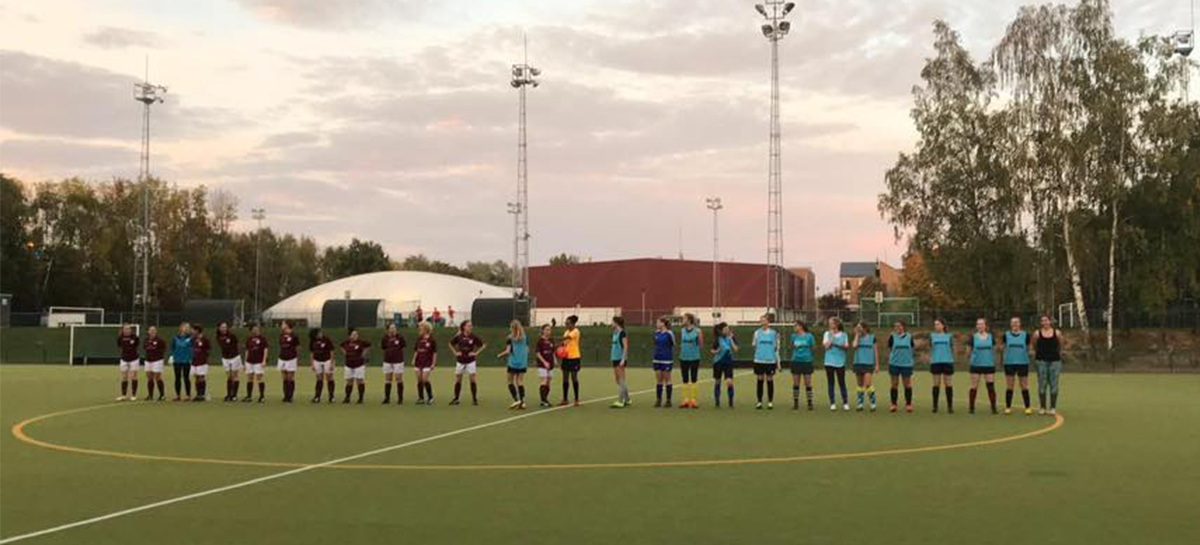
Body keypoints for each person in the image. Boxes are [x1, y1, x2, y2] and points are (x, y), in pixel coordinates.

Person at [449, 320, 485, 405]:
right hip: (460, 360)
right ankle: (456, 399)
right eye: (468, 325)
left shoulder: (473, 336)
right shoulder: (459, 336)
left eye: (471, 326)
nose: (470, 327)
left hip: (470, 361)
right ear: (464, 327)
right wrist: (455, 353)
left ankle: (474, 399)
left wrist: (476, 353)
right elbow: (450, 344)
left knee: (472, 378)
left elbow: (483, 345)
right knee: (458, 379)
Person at [1002, 317, 1033, 415]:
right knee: (1010, 386)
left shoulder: (1026, 335)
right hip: (1009, 363)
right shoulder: (1006, 335)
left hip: (1023, 363)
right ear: (1010, 324)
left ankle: (1027, 407)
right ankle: (1008, 407)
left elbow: (1030, 348)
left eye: (1017, 322)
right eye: (1013, 322)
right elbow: (1002, 348)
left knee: (1024, 386)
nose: (1015, 324)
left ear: (1020, 324)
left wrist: (1031, 352)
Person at [495, 320, 529, 409]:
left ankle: (516, 399)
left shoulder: (509, 338)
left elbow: (508, 351)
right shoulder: (524, 337)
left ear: (512, 328)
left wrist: (499, 355)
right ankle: (522, 401)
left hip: (513, 362)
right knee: (520, 381)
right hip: (522, 363)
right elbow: (526, 349)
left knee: (510, 381)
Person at [968, 318, 999, 414]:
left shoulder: (990, 337)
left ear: (985, 326)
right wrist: (972, 359)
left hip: (988, 364)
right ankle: (971, 407)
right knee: (974, 386)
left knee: (990, 386)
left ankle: (993, 407)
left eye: (982, 324)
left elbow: (995, 349)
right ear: (976, 326)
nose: (980, 326)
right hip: (976, 364)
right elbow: (968, 351)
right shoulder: (973, 337)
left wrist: (993, 360)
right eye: (978, 324)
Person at [1034, 315, 1063, 415]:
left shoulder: (1057, 333)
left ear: (1050, 321)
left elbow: (1061, 344)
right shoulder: (1037, 333)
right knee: (1042, 383)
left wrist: (1057, 354)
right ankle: (1042, 407)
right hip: (1041, 361)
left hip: (1055, 361)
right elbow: (1034, 345)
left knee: (1054, 384)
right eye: (1042, 321)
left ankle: (1052, 407)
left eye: (1046, 320)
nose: (1044, 322)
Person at [752, 315, 779, 410]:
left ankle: (770, 402)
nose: (762, 322)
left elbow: (776, 348)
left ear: (768, 322)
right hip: (759, 360)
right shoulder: (756, 333)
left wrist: (777, 362)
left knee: (769, 380)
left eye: (764, 320)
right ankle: (759, 402)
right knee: (760, 380)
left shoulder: (774, 333)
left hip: (770, 361)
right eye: (761, 321)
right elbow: (754, 346)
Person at [887, 321, 915, 413]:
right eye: (895, 326)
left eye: (899, 326)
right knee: (894, 384)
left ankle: (908, 404)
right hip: (894, 364)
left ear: (903, 327)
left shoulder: (909, 337)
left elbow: (912, 348)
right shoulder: (892, 337)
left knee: (907, 384)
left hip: (906, 364)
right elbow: (890, 348)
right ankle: (893, 404)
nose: (897, 328)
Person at [822, 317, 850, 411]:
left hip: (840, 362)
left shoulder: (844, 335)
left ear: (836, 324)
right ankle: (832, 403)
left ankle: (845, 402)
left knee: (842, 382)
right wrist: (832, 337)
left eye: (831, 323)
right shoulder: (827, 334)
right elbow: (826, 346)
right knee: (831, 382)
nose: (830, 325)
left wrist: (837, 344)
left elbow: (846, 346)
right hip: (829, 362)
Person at [928, 318, 955, 413]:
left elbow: (952, 348)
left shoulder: (949, 336)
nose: (936, 326)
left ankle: (950, 406)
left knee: (948, 384)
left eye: (938, 324)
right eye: (935, 324)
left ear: (943, 325)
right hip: (936, 362)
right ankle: (935, 406)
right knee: (936, 384)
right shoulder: (932, 336)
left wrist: (951, 359)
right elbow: (931, 348)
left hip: (947, 362)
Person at [851, 321, 879, 412]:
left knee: (867, 384)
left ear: (865, 328)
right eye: (857, 328)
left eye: (860, 327)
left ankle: (873, 403)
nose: (858, 329)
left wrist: (877, 364)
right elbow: (854, 346)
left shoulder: (872, 337)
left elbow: (875, 351)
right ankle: (860, 403)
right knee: (860, 384)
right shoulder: (857, 337)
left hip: (868, 363)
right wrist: (857, 335)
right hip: (858, 363)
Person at [678, 313, 704, 409]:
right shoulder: (682, 331)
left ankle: (693, 400)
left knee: (694, 377)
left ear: (689, 320)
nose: (683, 320)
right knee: (685, 378)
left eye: (684, 319)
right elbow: (681, 342)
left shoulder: (697, 331)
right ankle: (685, 399)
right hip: (683, 357)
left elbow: (701, 345)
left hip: (694, 357)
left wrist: (694, 347)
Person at [789, 320, 816, 410]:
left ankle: (810, 403)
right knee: (796, 383)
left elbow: (813, 348)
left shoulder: (809, 336)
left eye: (795, 326)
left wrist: (808, 356)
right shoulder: (793, 336)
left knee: (807, 383)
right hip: (796, 361)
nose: (794, 328)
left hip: (807, 361)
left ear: (800, 326)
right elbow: (791, 347)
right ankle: (796, 403)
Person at [711, 322, 738, 408]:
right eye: (725, 329)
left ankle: (730, 401)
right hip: (718, 362)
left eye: (728, 329)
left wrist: (731, 339)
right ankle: (717, 401)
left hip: (728, 362)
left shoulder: (731, 337)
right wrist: (718, 350)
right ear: (721, 330)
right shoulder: (717, 339)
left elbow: (736, 349)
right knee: (718, 381)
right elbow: (712, 350)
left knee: (729, 382)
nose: (727, 330)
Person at [340, 328, 371, 404]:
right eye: (353, 335)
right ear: (350, 336)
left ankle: (360, 398)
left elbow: (369, 345)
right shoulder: (346, 343)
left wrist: (364, 353)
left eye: (356, 334)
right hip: (348, 364)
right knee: (349, 381)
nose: (355, 336)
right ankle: (347, 398)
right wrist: (345, 353)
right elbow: (341, 346)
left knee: (359, 381)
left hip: (359, 364)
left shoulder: (361, 342)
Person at [380, 323, 407, 405]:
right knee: (388, 379)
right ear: (388, 329)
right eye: (391, 328)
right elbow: (383, 347)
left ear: (396, 329)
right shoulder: (385, 338)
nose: (392, 329)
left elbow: (403, 346)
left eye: (394, 328)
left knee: (398, 378)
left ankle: (400, 398)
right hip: (387, 361)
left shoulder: (400, 337)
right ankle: (387, 398)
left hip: (398, 361)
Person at [652, 317, 676, 408]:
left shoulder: (669, 333)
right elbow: (655, 344)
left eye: (658, 322)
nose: (656, 324)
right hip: (657, 358)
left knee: (667, 379)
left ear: (663, 323)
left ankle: (668, 400)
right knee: (659, 380)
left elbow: (673, 344)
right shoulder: (656, 333)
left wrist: (667, 353)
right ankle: (658, 399)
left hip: (666, 359)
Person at [411, 322, 438, 404]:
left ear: (426, 329)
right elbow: (416, 350)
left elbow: (435, 352)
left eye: (421, 327)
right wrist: (414, 358)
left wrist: (433, 363)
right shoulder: (419, 338)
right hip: (418, 361)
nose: (420, 329)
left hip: (427, 362)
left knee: (425, 379)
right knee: (419, 380)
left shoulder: (432, 340)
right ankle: (421, 398)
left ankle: (430, 397)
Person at [216, 322, 242, 402]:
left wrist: (236, 354)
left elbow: (237, 344)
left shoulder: (232, 335)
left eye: (225, 327)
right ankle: (228, 394)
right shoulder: (218, 336)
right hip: (225, 358)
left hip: (234, 357)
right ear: (219, 328)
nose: (224, 328)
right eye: (222, 327)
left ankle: (234, 395)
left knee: (234, 376)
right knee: (229, 377)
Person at [309, 327, 337, 403]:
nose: (321, 334)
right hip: (317, 361)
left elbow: (331, 351)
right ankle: (317, 396)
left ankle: (331, 396)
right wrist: (312, 364)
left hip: (327, 360)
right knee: (319, 378)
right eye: (319, 333)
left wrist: (331, 363)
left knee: (329, 377)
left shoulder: (326, 339)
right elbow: (311, 353)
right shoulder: (312, 341)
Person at [559, 315, 582, 406]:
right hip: (566, 358)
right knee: (565, 378)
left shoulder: (576, 331)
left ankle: (576, 399)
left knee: (574, 378)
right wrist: (561, 349)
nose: (566, 324)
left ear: (572, 323)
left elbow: (567, 338)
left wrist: (552, 339)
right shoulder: (566, 332)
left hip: (574, 357)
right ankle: (565, 399)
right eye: (565, 323)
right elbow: (564, 343)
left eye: (568, 323)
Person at [243, 323, 269, 403]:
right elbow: (247, 351)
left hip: (258, 361)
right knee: (249, 378)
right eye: (254, 329)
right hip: (250, 361)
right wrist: (245, 361)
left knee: (259, 378)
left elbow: (265, 350)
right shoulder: (249, 338)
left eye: (256, 328)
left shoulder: (263, 339)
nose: (255, 330)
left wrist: (264, 360)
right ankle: (249, 396)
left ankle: (261, 396)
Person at [609, 316, 631, 408]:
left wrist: (623, 359)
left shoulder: (622, 333)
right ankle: (627, 399)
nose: (611, 323)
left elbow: (625, 347)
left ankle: (620, 401)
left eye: (612, 322)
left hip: (620, 359)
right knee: (618, 380)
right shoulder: (615, 333)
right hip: (615, 358)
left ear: (616, 323)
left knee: (621, 380)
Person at [169, 322, 193, 401]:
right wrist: (172, 356)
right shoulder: (176, 338)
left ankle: (188, 395)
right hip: (177, 360)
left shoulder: (191, 338)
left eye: (188, 327)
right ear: (181, 328)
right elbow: (172, 348)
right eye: (185, 327)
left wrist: (192, 358)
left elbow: (193, 348)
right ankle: (178, 395)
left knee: (186, 378)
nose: (186, 328)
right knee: (177, 378)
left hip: (186, 361)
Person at [277, 321, 300, 403]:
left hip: (291, 358)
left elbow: (297, 347)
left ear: (287, 325)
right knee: (284, 377)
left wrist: (297, 358)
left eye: (283, 324)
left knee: (290, 377)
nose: (281, 325)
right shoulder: (281, 335)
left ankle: (290, 396)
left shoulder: (294, 335)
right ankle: (285, 396)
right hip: (282, 358)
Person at [116, 324, 140, 401]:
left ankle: (133, 395)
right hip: (124, 359)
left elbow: (136, 345)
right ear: (123, 330)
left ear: (131, 330)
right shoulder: (120, 337)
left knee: (133, 376)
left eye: (128, 329)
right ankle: (123, 395)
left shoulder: (135, 337)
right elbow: (119, 345)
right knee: (124, 377)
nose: (127, 330)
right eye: (125, 329)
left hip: (134, 359)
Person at [143, 326, 166, 401]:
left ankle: (162, 395)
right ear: (148, 332)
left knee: (157, 377)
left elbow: (163, 348)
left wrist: (159, 357)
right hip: (148, 360)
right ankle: (150, 395)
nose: (152, 332)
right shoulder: (146, 340)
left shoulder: (160, 340)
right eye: (151, 330)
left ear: (156, 331)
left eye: (154, 330)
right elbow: (145, 348)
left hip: (157, 360)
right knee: (149, 377)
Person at [535, 324, 556, 407]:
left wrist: (554, 359)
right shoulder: (540, 341)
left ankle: (545, 399)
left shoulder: (551, 340)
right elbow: (537, 353)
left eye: (549, 330)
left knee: (548, 382)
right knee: (544, 380)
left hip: (551, 364)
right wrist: (544, 362)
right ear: (543, 331)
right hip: (542, 364)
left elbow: (553, 351)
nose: (548, 331)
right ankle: (543, 400)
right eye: (546, 330)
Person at [190, 325, 211, 402]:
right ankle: (198, 394)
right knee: (196, 377)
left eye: (193, 330)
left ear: (197, 330)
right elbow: (192, 348)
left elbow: (208, 349)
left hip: (202, 361)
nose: (192, 331)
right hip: (194, 361)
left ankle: (202, 395)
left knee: (201, 377)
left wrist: (204, 356)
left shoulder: (205, 339)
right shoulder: (193, 339)